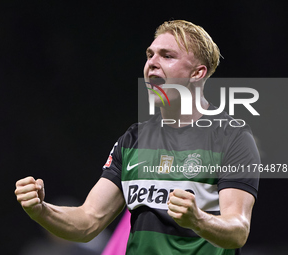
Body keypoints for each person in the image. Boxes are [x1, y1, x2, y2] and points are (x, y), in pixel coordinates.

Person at [15, 20, 260, 254]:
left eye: (167, 55)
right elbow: (88, 221)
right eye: (150, 54)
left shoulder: (233, 138)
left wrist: (198, 219)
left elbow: (238, 229)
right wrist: (41, 210)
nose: (152, 63)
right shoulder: (134, 139)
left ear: (197, 73)